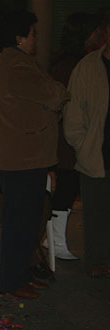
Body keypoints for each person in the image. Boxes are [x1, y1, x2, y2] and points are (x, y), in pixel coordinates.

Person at [0, 10, 70, 299]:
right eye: (33, 34)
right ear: (20, 37)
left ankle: (20, 275)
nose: (36, 39)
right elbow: (56, 94)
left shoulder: (14, 62)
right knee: (20, 221)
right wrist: (54, 100)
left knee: (26, 219)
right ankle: (12, 281)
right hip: (21, 157)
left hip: (24, 155)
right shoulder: (17, 65)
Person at [47, 11, 103, 261]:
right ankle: (55, 240)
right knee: (67, 187)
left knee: (69, 187)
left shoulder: (81, 60)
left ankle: (56, 239)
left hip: (73, 137)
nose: (100, 34)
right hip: (66, 137)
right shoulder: (71, 64)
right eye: (95, 30)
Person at [63, 16, 110, 278]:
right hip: (96, 153)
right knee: (97, 212)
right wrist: (82, 145)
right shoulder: (89, 67)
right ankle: (98, 260)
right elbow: (73, 113)